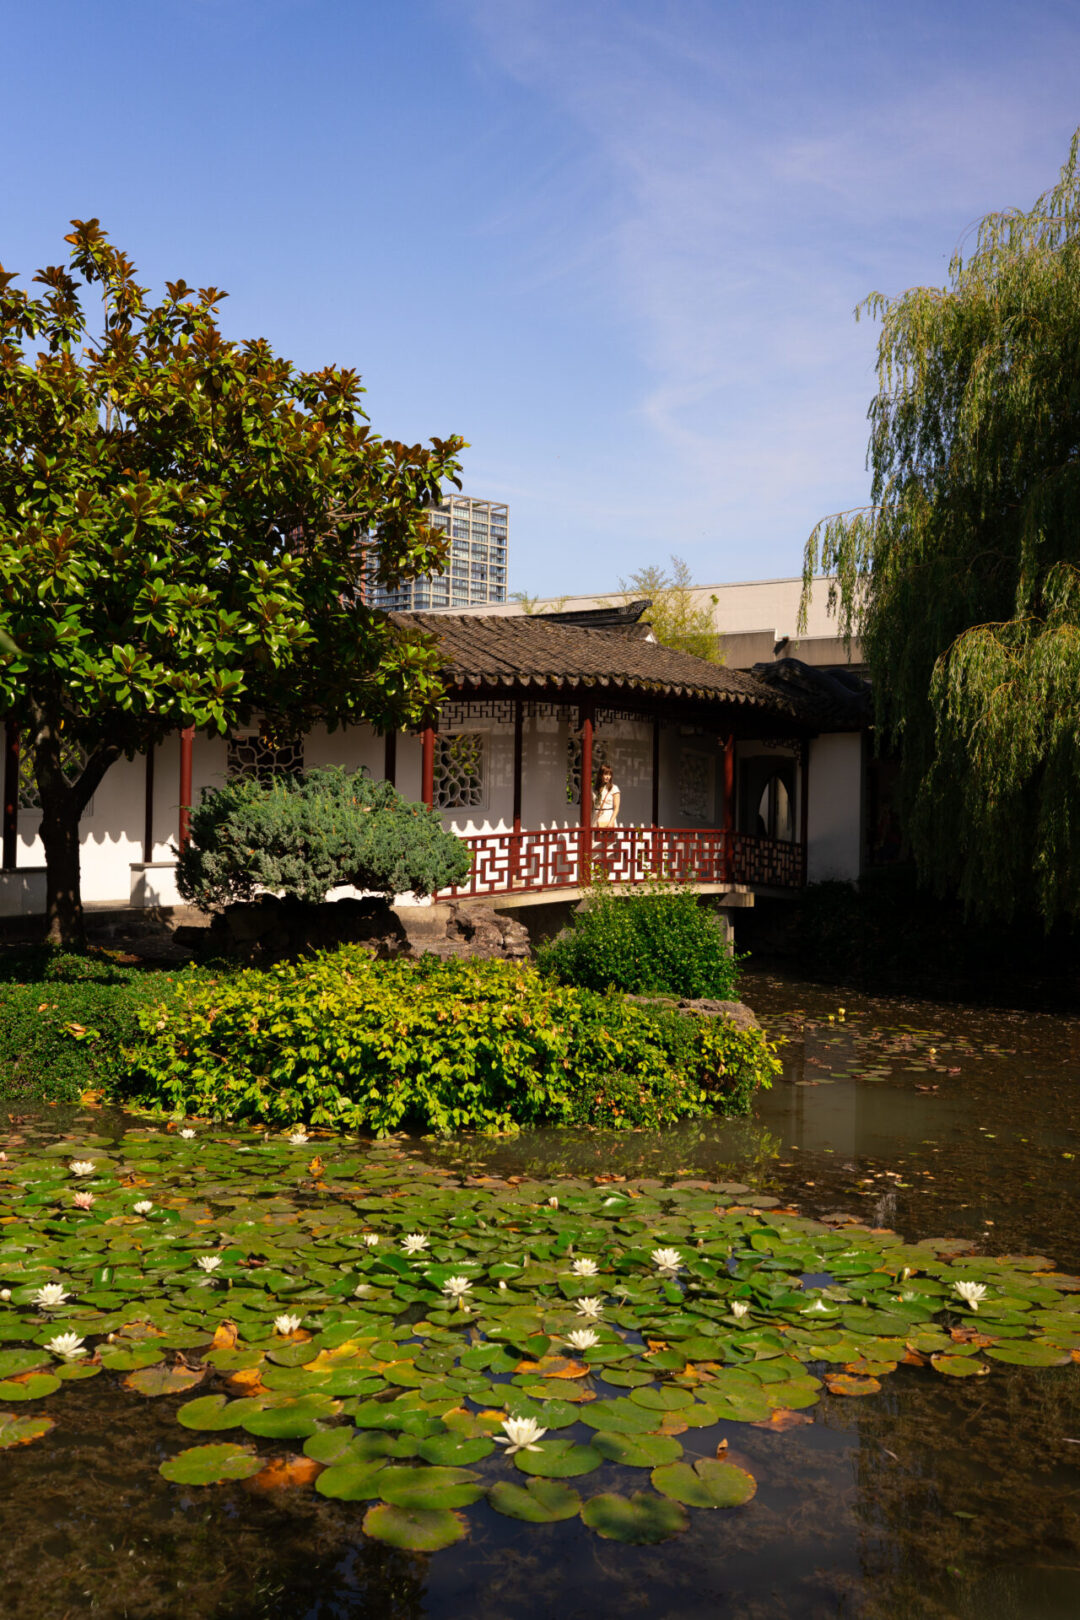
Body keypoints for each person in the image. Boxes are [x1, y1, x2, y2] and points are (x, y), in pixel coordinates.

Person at [593, 762, 620, 828]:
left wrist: (611, 822)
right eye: (605, 774)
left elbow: (616, 808)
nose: (608, 777)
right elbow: (591, 807)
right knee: (594, 838)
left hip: (608, 817)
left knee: (607, 838)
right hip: (596, 817)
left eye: (609, 775)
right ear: (600, 775)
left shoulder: (614, 788)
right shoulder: (594, 789)